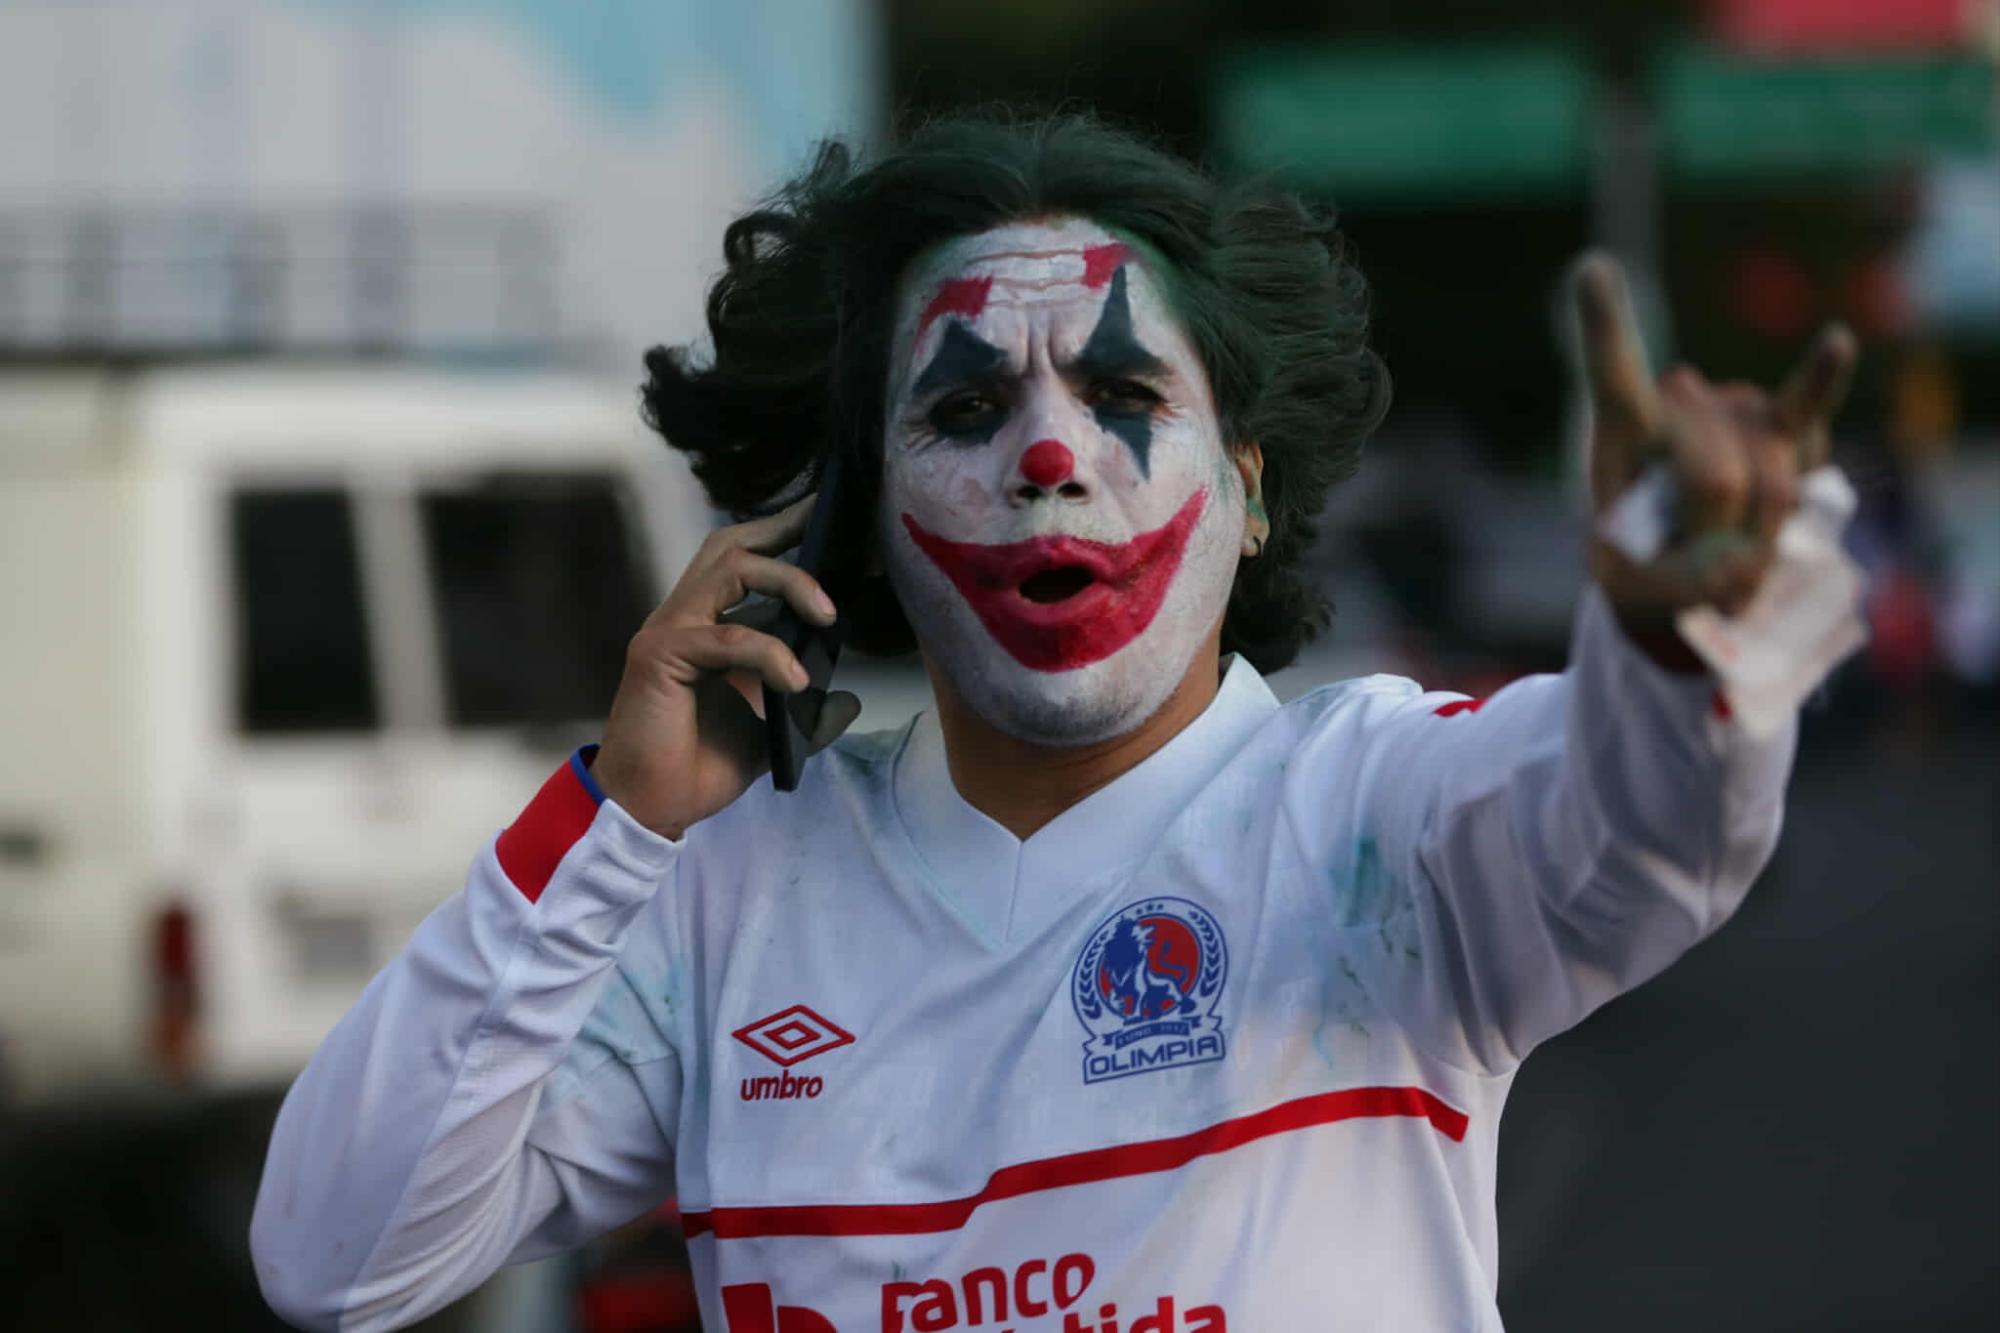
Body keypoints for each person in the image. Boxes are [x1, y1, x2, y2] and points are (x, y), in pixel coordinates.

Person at [251, 112, 1855, 1332]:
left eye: (1127, 399)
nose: (1046, 455)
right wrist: (616, 811)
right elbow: (337, 1255)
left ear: (1247, 486)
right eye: (961, 410)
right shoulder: (722, 896)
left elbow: (1652, 841)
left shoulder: (1378, 809)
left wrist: (1672, 638)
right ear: (860, 520)